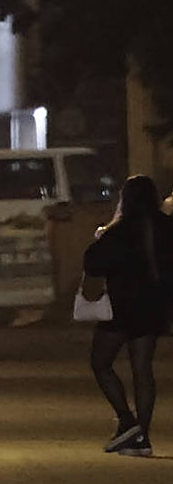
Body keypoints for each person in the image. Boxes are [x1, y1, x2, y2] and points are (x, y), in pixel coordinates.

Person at [83, 174, 173, 457]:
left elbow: (93, 264)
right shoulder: (166, 227)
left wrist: (101, 235)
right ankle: (142, 437)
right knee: (142, 369)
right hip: (154, 307)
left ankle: (127, 420)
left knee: (101, 363)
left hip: (121, 307)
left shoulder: (118, 232)